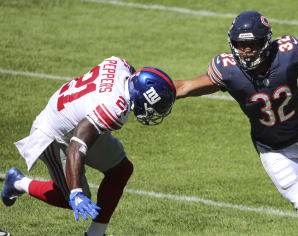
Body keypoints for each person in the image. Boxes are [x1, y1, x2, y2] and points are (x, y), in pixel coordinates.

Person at [174, 11, 298, 236]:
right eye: (240, 45)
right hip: (273, 150)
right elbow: (184, 87)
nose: (245, 51)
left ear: (265, 41)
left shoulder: (288, 55)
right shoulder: (229, 70)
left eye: (252, 44)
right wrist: (155, 91)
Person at [2, 56, 176, 236]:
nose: (153, 113)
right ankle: (19, 182)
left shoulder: (121, 67)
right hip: (54, 134)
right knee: (72, 198)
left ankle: (95, 234)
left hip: (81, 120)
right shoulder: (114, 109)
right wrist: (75, 192)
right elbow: (76, 147)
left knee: (120, 170)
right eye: (154, 107)